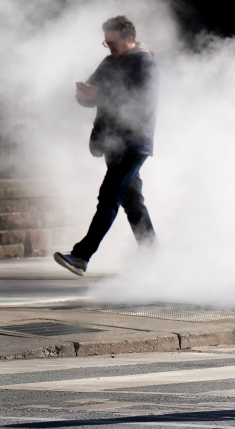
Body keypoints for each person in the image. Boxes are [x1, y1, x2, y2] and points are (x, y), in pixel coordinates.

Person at [54, 15, 158, 276]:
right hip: (112, 142)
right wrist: (84, 95)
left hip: (133, 144)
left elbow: (140, 103)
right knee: (133, 203)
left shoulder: (145, 63)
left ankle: (81, 256)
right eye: (106, 44)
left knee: (109, 196)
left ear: (130, 38)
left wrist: (99, 95)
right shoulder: (109, 62)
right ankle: (155, 261)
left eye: (113, 43)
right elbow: (93, 96)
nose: (110, 49)